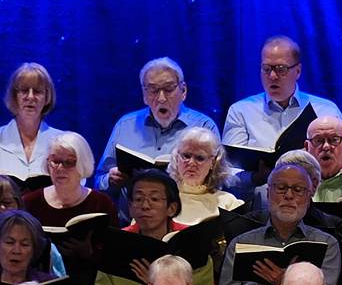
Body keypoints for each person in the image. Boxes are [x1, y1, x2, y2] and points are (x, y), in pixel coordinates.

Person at [217, 162, 342, 285]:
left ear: (308, 197)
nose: (289, 195)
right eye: (281, 188)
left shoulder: (326, 244)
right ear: (268, 194)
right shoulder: (241, 243)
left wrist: (284, 284)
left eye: (298, 190)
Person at [93, 169, 214, 285]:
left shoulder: (193, 247)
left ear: (172, 208)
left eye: (154, 199)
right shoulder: (115, 248)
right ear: (130, 207)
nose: (145, 205)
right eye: (138, 199)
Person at [94, 57, 219, 197]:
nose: (161, 98)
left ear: (183, 91)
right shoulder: (125, 125)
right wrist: (110, 180)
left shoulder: (203, 126)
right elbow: (99, 181)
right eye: (153, 90)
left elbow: (219, 180)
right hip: (135, 216)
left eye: (168, 89)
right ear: (144, 95)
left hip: (188, 213)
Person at [222, 35, 342, 161]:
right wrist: (255, 178)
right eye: (266, 68)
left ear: (297, 71)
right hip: (260, 185)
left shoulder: (326, 110)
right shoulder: (241, 111)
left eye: (281, 69)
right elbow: (228, 171)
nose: (272, 76)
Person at [21, 131, 118, 231]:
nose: (60, 168)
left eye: (69, 162)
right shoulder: (29, 203)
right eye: (55, 161)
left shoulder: (102, 205)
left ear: (83, 164)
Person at [0, 62, 64, 180]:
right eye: (24, 90)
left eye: (37, 91)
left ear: (47, 97)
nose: (30, 97)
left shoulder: (63, 142)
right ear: (14, 96)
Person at [166, 127, 241, 225]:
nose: (191, 163)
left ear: (213, 163)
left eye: (199, 158)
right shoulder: (162, 199)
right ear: (177, 157)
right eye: (186, 156)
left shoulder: (229, 203)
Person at [0, 210, 55, 285]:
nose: (16, 251)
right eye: (9, 242)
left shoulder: (50, 284)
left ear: (34, 249)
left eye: (24, 244)